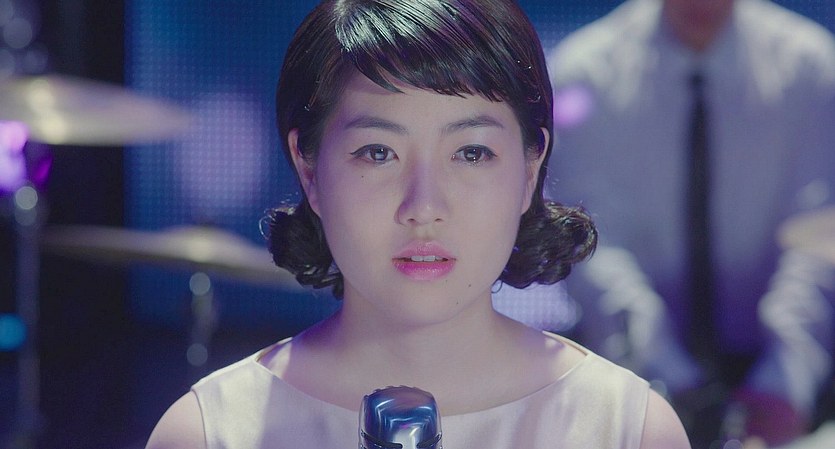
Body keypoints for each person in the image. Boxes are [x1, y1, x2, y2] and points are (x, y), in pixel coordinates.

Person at [144, 0, 692, 447]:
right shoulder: (211, 433)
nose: (424, 206)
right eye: (378, 152)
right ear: (309, 169)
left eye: (471, 153)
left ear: (530, 170)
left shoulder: (627, 429)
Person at [545, 0, 835, 446]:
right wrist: (662, 377)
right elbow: (591, 244)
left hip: (792, 372)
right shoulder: (585, 72)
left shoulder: (811, 67)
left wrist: (784, 381)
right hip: (629, 369)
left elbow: (818, 233)